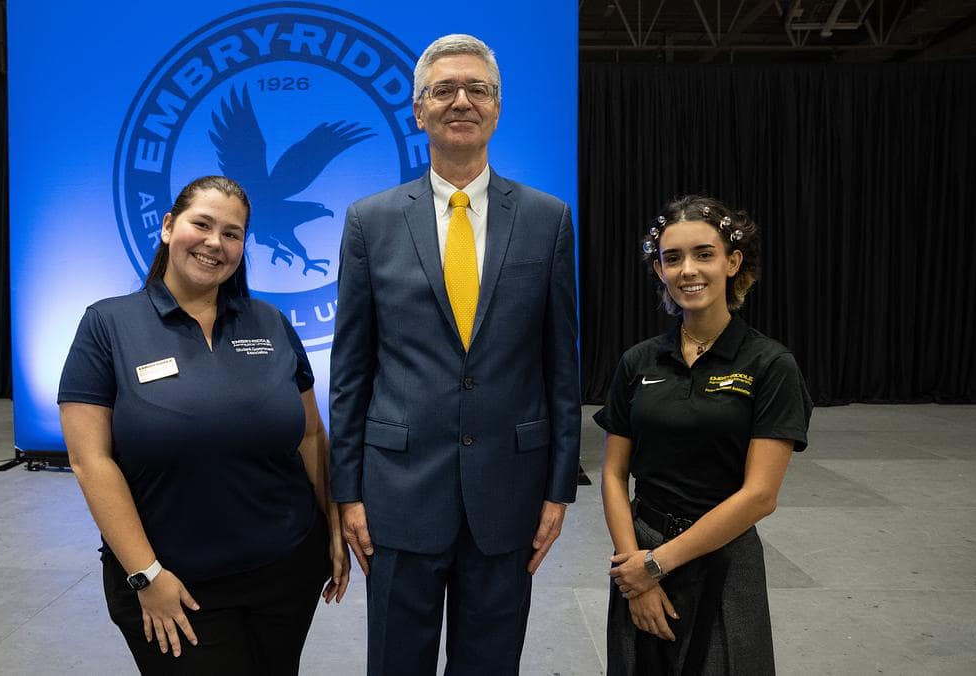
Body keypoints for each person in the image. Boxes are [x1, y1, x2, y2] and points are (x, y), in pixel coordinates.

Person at [329, 34, 581, 675]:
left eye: (478, 89)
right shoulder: (370, 221)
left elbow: (561, 366)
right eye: (444, 90)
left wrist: (558, 489)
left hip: (509, 493)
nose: (461, 101)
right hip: (397, 492)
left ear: (497, 108)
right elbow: (352, 369)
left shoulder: (548, 219)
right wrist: (347, 491)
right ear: (419, 111)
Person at [57, 175, 349, 675]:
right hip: (175, 583)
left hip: (285, 572)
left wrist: (332, 527)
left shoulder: (269, 322)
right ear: (170, 227)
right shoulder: (108, 325)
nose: (216, 242)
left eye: (232, 234)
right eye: (203, 224)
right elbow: (91, 461)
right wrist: (146, 576)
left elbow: (308, 433)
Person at [596, 195, 813, 674]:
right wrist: (637, 569)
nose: (688, 270)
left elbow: (759, 497)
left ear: (733, 262)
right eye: (672, 258)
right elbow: (612, 475)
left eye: (704, 254)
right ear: (659, 271)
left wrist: (657, 565)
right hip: (641, 548)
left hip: (723, 557)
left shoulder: (770, 364)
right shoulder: (639, 362)